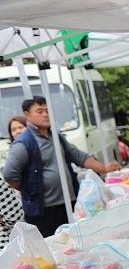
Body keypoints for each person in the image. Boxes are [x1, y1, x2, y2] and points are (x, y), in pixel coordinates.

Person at [2, 97, 120, 237]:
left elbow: (78, 156)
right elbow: (9, 174)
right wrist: (29, 187)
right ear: (27, 115)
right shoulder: (23, 143)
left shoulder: (56, 137)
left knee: (74, 244)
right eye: (39, 111)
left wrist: (104, 168)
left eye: (47, 110)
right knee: (54, 248)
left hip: (69, 202)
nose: (45, 114)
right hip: (45, 210)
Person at [0, 117, 27, 248]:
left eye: (20, 127)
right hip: (6, 249)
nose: (17, 132)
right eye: (13, 129)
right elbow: (15, 216)